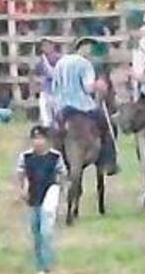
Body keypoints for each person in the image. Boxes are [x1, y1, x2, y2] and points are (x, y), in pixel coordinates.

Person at [51, 36, 119, 175]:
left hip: (61, 107)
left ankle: (55, 160)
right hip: (81, 105)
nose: (90, 50)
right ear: (81, 47)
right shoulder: (84, 64)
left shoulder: (61, 62)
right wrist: (99, 85)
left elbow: (54, 86)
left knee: (54, 131)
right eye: (88, 46)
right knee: (106, 125)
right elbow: (88, 88)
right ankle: (108, 160)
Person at [15, 126, 67, 274]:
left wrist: (60, 194)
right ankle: (39, 264)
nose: (38, 142)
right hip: (33, 197)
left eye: (41, 139)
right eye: (35, 139)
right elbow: (21, 173)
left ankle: (47, 265)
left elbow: (62, 174)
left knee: (46, 231)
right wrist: (23, 188)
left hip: (49, 196)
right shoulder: (26, 157)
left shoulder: (55, 157)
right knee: (36, 231)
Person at [32, 39, 60, 127]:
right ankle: (46, 128)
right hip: (46, 90)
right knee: (45, 112)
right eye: (44, 46)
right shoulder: (41, 61)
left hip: (58, 91)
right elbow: (32, 73)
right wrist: (35, 85)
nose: (46, 48)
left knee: (58, 115)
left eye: (48, 45)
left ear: (53, 46)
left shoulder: (60, 59)